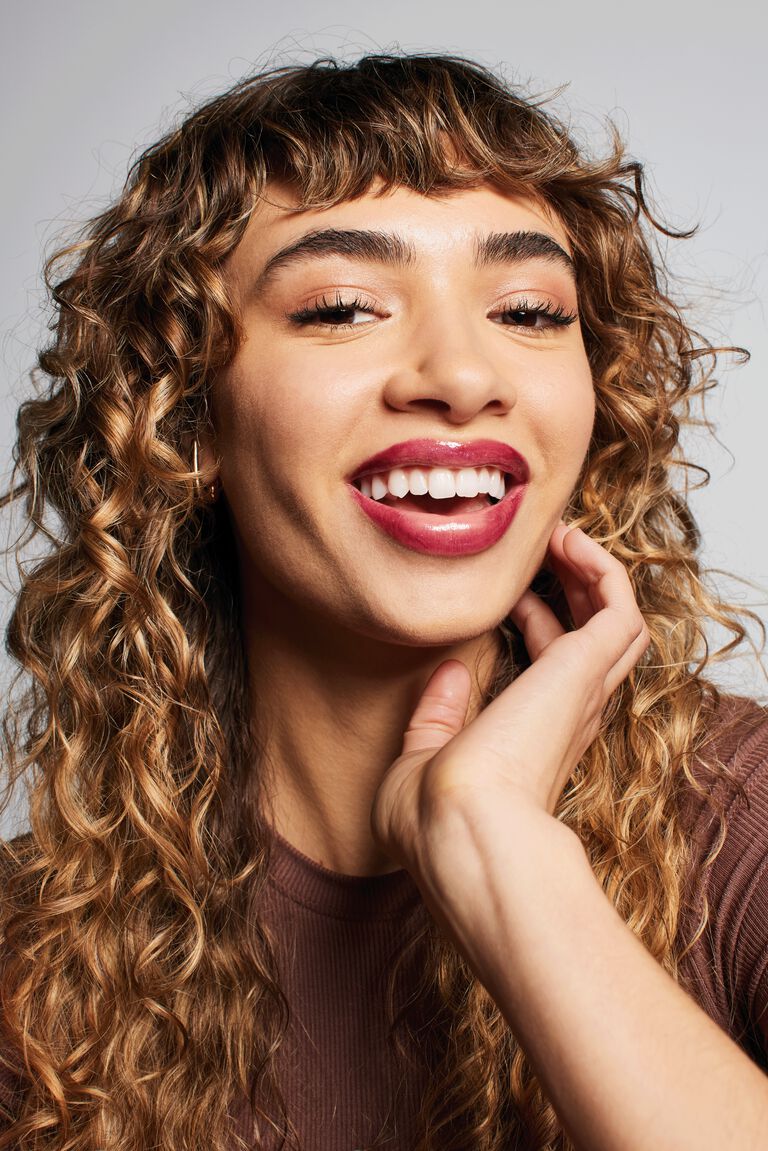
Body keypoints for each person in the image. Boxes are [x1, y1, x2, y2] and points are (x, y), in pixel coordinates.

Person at [0, 50, 767, 1151]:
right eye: (344, 306)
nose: (461, 372)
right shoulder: (35, 961)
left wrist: (496, 847)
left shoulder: (743, 824)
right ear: (187, 420)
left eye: (531, 311)